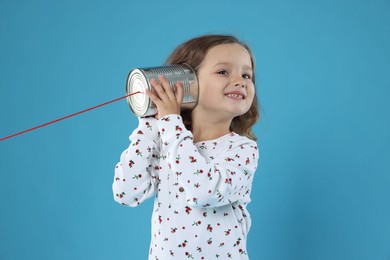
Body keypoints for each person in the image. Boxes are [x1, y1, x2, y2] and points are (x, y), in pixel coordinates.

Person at [113, 34, 260, 259]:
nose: (240, 81)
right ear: (186, 82)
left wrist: (171, 123)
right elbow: (126, 192)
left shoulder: (241, 149)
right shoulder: (168, 142)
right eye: (223, 72)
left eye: (247, 74)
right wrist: (151, 123)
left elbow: (204, 191)